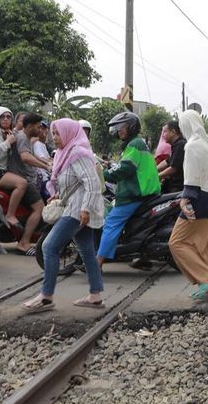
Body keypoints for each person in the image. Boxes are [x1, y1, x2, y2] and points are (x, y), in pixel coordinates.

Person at [21, 119, 106, 313]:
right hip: (75, 206)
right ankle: (95, 296)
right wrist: (59, 194)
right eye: (53, 133)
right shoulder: (64, 153)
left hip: (78, 209)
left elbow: (92, 183)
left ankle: (46, 297)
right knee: (86, 250)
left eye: (58, 133)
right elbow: (72, 181)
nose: (55, 137)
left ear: (69, 133)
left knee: (49, 246)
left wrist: (85, 209)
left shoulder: (77, 153)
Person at [168, 110, 208, 300]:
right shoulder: (206, 144)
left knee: (176, 242)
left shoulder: (192, 145)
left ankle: (206, 278)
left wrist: (185, 199)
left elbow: (192, 176)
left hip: (197, 201)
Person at [97, 112, 160, 269]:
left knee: (111, 222)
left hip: (134, 194)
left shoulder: (134, 144)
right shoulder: (138, 143)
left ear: (131, 127)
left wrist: (102, 175)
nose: (119, 130)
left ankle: (97, 262)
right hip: (144, 193)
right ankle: (141, 256)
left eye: (122, 127)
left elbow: (125, 168)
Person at [7, 113, 49, 255]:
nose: (40, 130)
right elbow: (25, 157)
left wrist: (48, 163)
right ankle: (24, 242)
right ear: (29, 126)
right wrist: (45, 166)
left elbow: (30, 155)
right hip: (23, 178)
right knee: (39, 208)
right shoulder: (22, 137)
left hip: (26, 177)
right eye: (38, 127)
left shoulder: (25, 138)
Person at [158, 120, 186, 194]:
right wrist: (153, 169)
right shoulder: (176, 144)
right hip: (172, 183)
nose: (163, 135)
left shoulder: (180, 145)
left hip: (178, 186)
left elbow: (173, 168)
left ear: (173, 132)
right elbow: (167, 161)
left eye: (165, 132)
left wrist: (157, 176)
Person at [32, 120, 53, 199]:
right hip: (42, 178)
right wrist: (49, 164)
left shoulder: (43, 144)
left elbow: (48, 158)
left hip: (47, 175)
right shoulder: (36, 143)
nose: (42, 130)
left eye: (44, 128)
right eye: (40, 128)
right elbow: (41, 158)